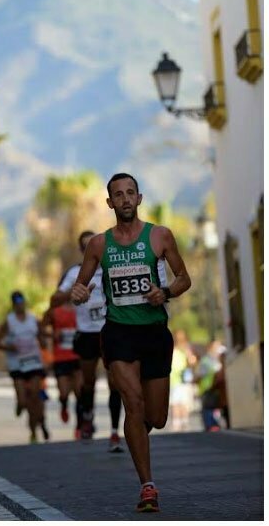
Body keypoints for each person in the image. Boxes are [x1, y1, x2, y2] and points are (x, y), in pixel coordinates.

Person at [71, 173, 191, 512]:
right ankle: (148, 487)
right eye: (117, 195)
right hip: (118, 332)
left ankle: (135, 431)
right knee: (133, 403)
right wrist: (79, 293)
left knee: (156, 416)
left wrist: (164, 292)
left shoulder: (160, 236)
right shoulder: (98, 245)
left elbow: (184, 278)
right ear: (109, 203)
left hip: (154, 333)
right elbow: (80, 289)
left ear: (139, 198)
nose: (124, 199)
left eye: (130, 193)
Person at [51, 231, 124, 452]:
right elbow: (54, 300)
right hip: (86, 333)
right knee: (88, 382)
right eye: (85, 246)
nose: (90, 249)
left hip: (110, 329)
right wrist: (74, 293)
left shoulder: (112, 267)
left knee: (115, 382)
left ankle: (113, 432)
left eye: (94, 244)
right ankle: (87, 418)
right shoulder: (75, 272)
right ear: (82, 250)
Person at [0, 291, 49, 443]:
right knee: (24, 401)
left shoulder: (33, 319)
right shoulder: (9, 322)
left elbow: (41, 336)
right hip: (17, 364)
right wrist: (10, 347)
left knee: (35, 398)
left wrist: (43, 342)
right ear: (13, 305)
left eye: (22, 302)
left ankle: (34, 430)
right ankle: (20, 404)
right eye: (17, 304)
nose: (21, 306)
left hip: (33, 362)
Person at [42, 302, 83, 436]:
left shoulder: (81, 307)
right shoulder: (55, 310)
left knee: (79, 393)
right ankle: (64, 405)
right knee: (64, 393)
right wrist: (52, 335)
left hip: (78, 356)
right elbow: (41, 328)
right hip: (61, 358)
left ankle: (79, 426)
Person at [169, 329, 197, 431]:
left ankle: (183, 422)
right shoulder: (172, 349)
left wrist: (188, 353)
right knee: (176, 402)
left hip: (183, 379)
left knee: (182, 402)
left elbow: (192, 362)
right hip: (174, 379)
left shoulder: (186, 349)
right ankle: (177, 422)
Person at [196, 340, 224, 432]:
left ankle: (214, 424)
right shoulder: (206, 361)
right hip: (207, 389)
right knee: (208, 408)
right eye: (216, 347)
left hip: (215, 388)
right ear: (211, 348)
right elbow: (199, 376)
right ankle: (210, 426)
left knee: (213, 408)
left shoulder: (217, 359)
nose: (218, 349)